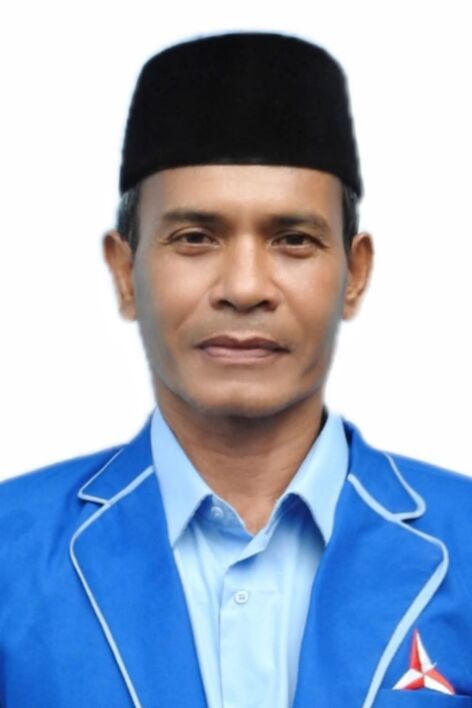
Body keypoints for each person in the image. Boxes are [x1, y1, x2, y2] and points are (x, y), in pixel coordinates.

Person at [0, 31, 471, 708]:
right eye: (195, 238)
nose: (245, 287)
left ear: (355, 274)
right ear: (125, 273)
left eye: (293, 240)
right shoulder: (10, 553)